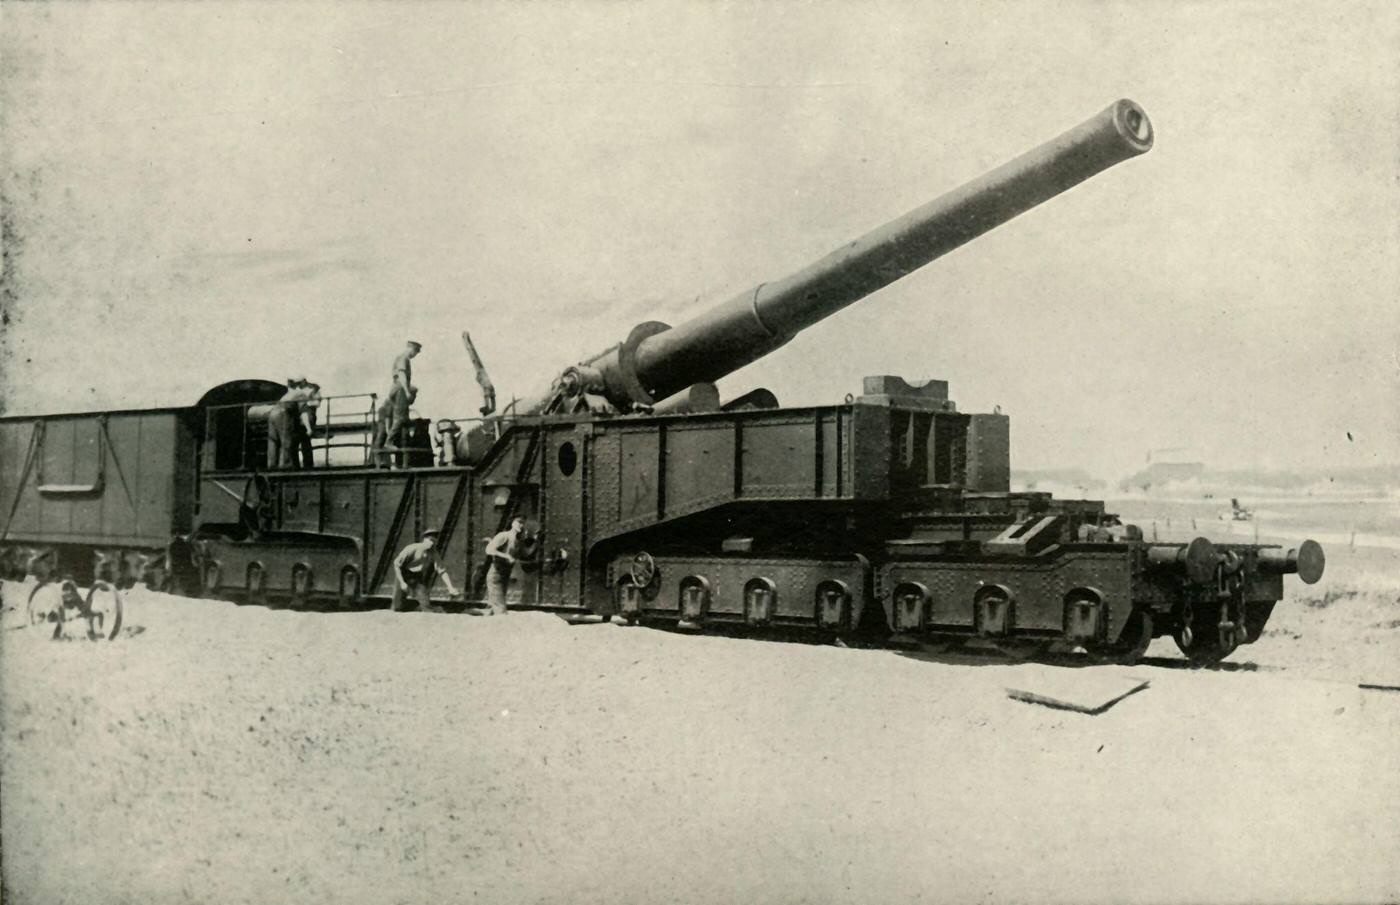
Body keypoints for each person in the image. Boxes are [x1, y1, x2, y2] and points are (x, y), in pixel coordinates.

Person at [390, 528, 460, 613]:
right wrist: (402, 583)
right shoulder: (412, 548)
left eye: (434, 541)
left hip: (417, 577)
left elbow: (442, 571)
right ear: (424, 539)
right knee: (396, 608)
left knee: (427, 607)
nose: (432, 543)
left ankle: (419, 607)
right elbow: (396, 564)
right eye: (430, 540)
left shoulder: (433, 553)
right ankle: (409, 606)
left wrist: (450, 588)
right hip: (403, 574)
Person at [481, 516, 525, 616]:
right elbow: (489, 550)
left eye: (522, 523)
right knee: (501, 611)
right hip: (496, 576)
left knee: (494, 609)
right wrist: (506, 556)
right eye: (519, 522)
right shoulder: (504, 535)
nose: (521, 525)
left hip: (505, 576)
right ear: (512, 523)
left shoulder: (517, 541)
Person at [265, 376, 301, 468]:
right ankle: (286, 464)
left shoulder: (285, 395)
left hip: (273, 413)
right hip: (284, 413)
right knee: (286, 439)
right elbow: (304, 411)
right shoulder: (299, 393)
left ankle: (271, 464)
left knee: (273, 440)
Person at [292, 380, 322, 468]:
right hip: (298, 417)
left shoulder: (313, 389)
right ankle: (296, 465)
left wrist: (306, 403)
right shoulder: (296, 390)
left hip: (307, 416)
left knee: (305, 441)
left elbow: (317, 403)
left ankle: (307, 465)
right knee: (296, 442)